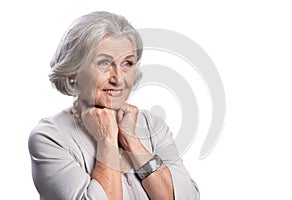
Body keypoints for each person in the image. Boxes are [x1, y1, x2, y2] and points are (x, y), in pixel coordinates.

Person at [28, 11, 199, 200]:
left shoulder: (152, 125)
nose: (118, 79)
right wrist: (106, 140)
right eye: (104, 63)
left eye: (127, 63)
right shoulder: (50, 137)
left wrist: (131, 140)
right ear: (74, 71)